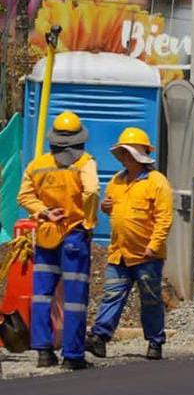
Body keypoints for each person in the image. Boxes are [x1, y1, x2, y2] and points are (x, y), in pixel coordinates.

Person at [17, 111, 99, 370]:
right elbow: (92, 191)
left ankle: (43, 351)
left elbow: (24, 196)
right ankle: (72, 356)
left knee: (42, 295)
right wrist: (88, 222)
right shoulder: (84, 162)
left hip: (45, 236)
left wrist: (44, 212)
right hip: (74, 234)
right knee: (74, 298)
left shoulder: (37, 165)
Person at [85, 127, 173, 361]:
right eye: (122, 153)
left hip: (147, 255)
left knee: (150, 299)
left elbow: (164, 218)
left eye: (128, 152)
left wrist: (154, 245)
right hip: (119, 253)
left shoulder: (156, 182)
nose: (124, 157)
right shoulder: (117, 180)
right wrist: (106, 208)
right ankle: (100, 338)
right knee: (112, 295)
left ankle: (155, 341)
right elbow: (114, 208)